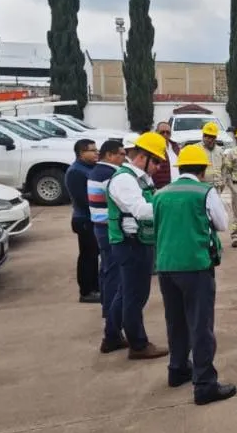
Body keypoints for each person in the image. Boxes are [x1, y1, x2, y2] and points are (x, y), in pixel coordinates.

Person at [152, 144, 236, 405]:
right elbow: (222, 224)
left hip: (166, 267)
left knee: (175, 321)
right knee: (200, 325)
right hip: (195, 266)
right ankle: (204, 385)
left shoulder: (161, 193)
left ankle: (177, 370)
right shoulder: (205, 191)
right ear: (202, 170)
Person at [105, 131, 171, 360]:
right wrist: (169, 205)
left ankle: (112, 337)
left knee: (125, 293)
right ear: (142, 157)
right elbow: (142, 211)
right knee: (135, 296)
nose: (159, 167)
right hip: (131, 245)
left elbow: (150, 199)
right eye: (157, 162)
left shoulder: (140, 178)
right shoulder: (124, 180)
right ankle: (138, 345)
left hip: (137, 242)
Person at [88, 140, 127, 351]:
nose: (124, 158)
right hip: (109, 229)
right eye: (121, 154)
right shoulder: (110, 175)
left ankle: (108, 314)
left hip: (100, 227)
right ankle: (112, 330)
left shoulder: (96, 172)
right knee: (115, 278)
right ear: (110, 155)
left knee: (107, 273)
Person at [65, 138, 101, 303]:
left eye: (96, 149)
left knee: (94, 256)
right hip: (84, 220)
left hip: (92, 219)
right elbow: (83, 200)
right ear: (81, 153)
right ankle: (86, 291)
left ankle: (96, 286)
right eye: (92, 150)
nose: (96, 153)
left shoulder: (90, 168)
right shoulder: (76, 172)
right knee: (88, 256)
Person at [149, 121, 182, 189]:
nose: (165, 134)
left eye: (168, 132)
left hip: (178, 187)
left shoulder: (175, 148)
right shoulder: (151, 149)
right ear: (156, 132)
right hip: (161, 189)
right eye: (162, 132)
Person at [201, 121, 226, 190]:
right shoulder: (197, 149)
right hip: (202, 187)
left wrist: (223, 182)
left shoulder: (220, 151)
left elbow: (224, 168)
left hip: (217, 187)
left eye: (212, 137)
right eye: (207, 136)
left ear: (215, 137)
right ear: (203, 136)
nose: (209, 139)